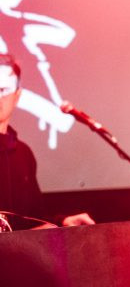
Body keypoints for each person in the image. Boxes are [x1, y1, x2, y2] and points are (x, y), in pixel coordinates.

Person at [0, 53, 94, 229]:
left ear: (17, 96)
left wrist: (62, 223)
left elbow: (34, 217)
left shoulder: (23, 153)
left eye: (3, 90)